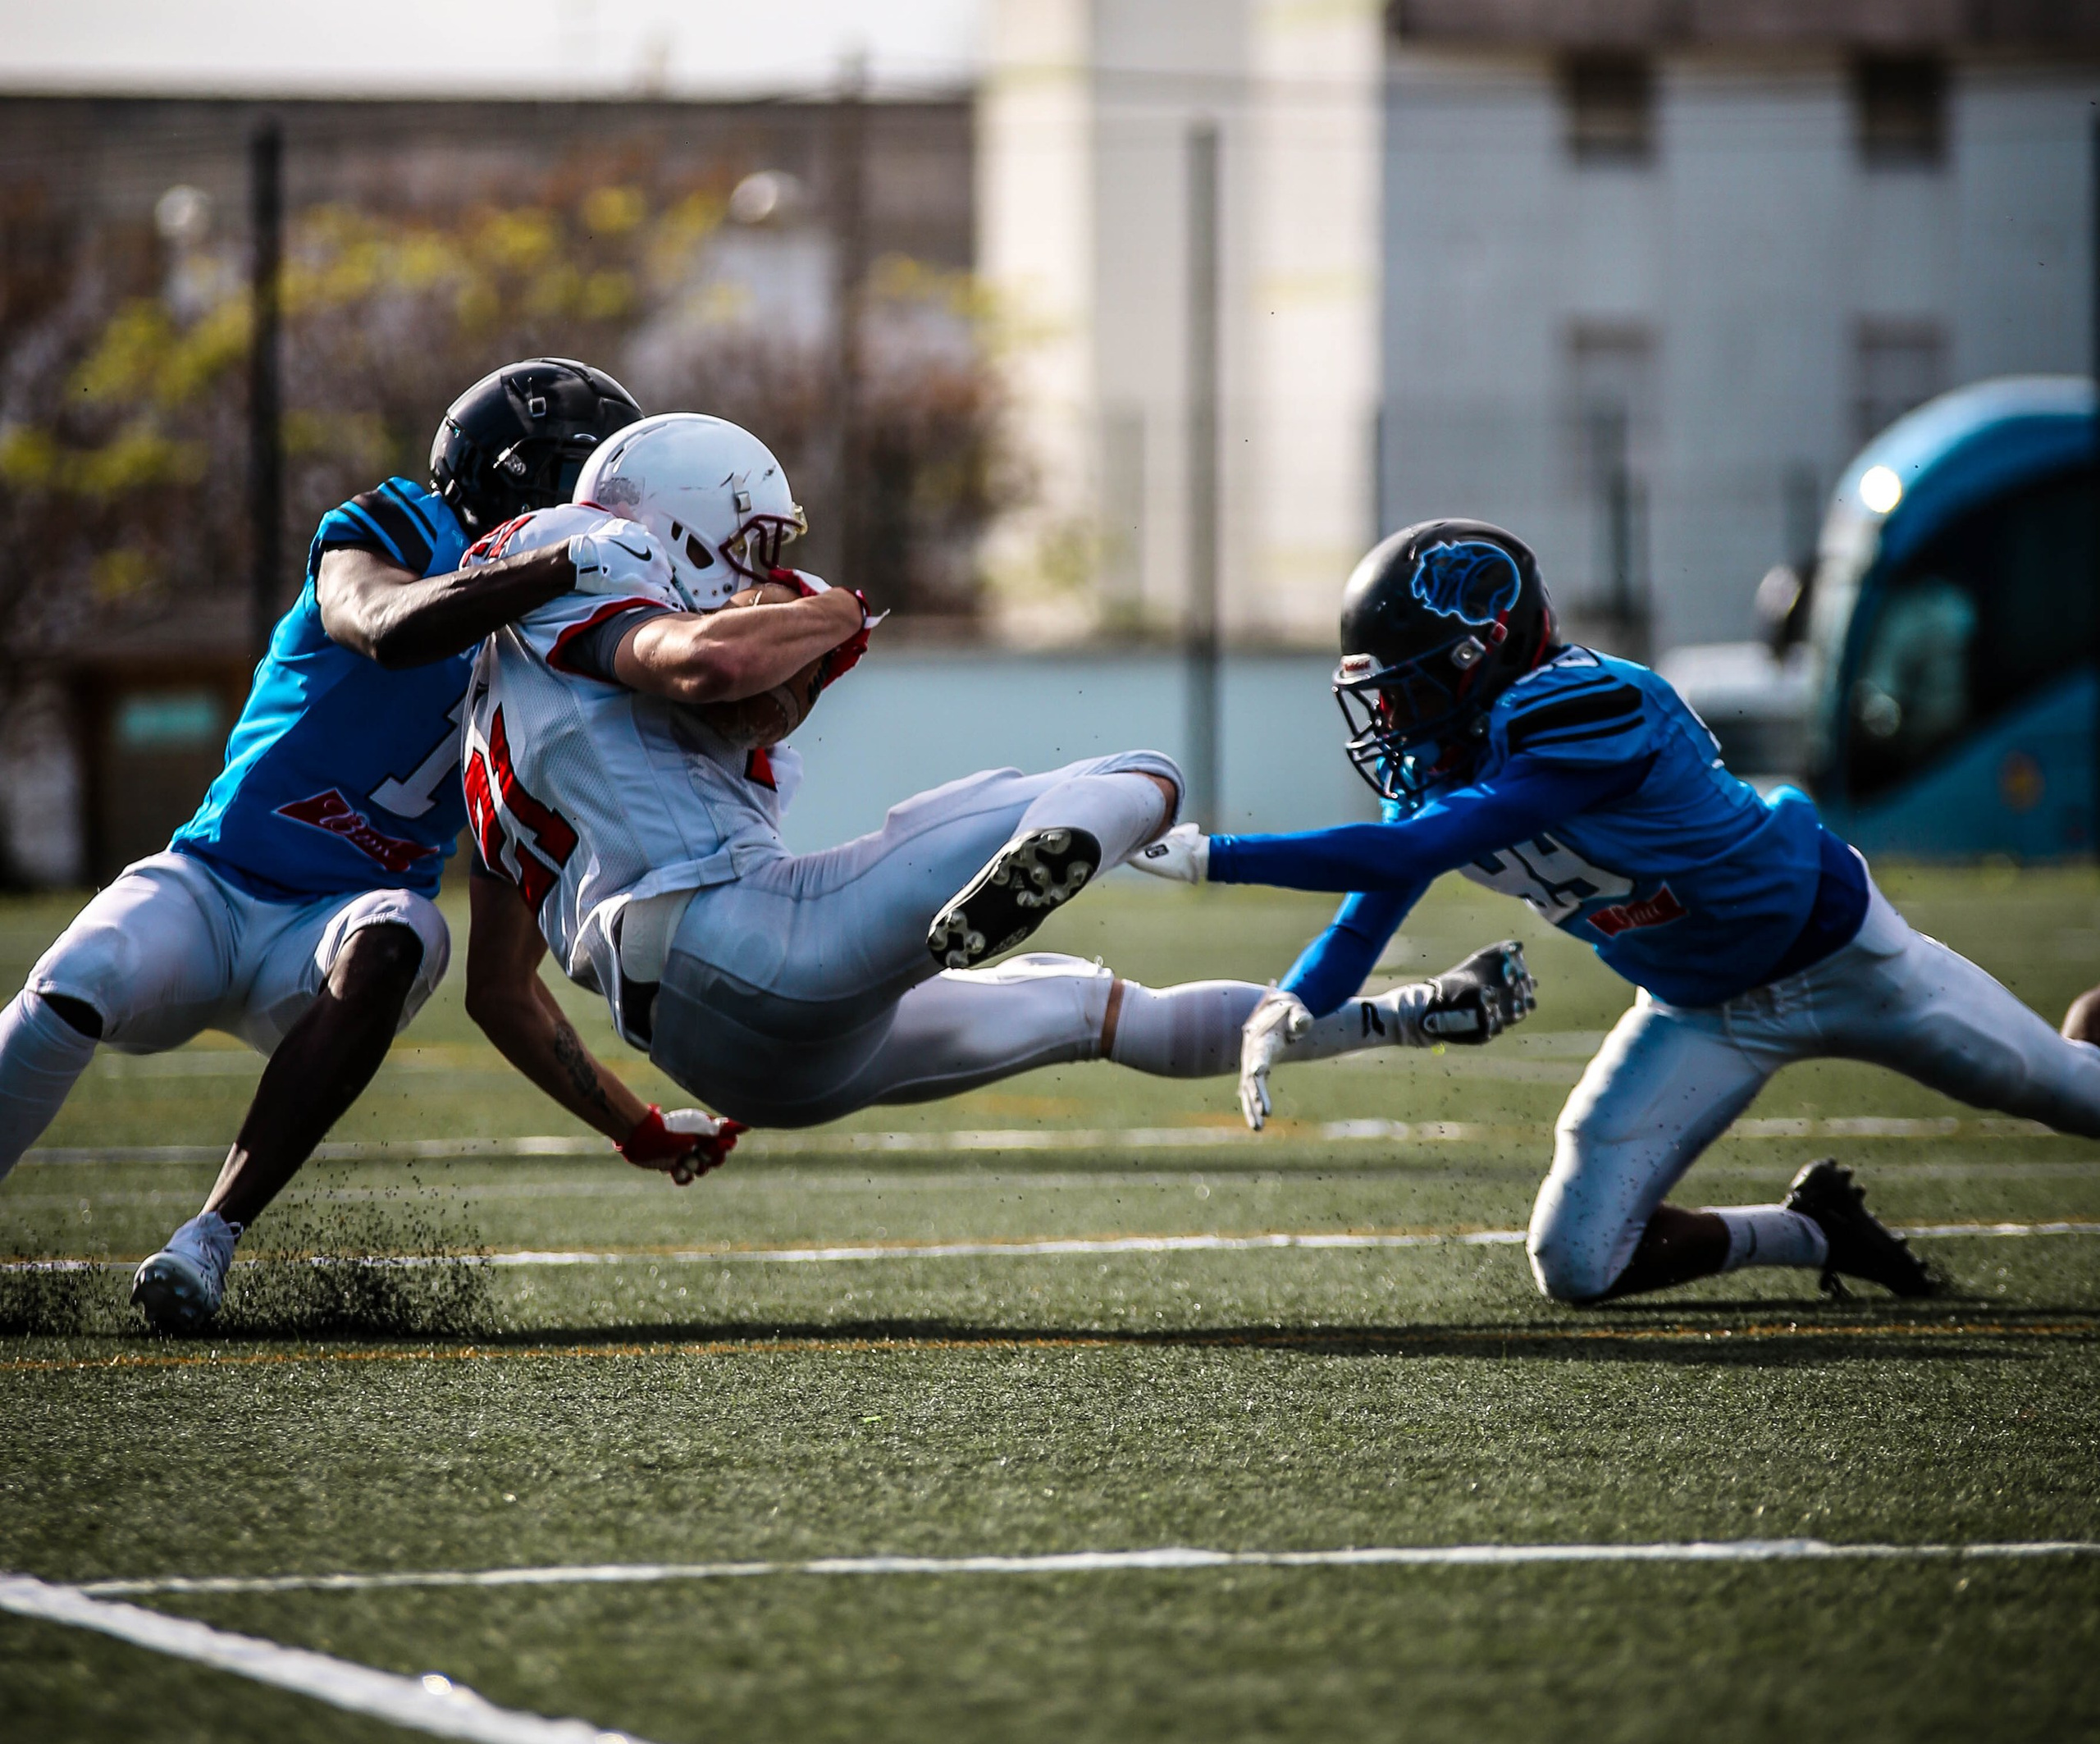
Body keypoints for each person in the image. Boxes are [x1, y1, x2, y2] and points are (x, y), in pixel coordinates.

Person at [459, 415, 1535, 1145]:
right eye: (754, 542)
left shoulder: (501, 703)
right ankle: (1041, 858)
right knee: (1144, 775)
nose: (765, 564)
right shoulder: (579, 547)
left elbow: (502, 984)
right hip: (742, 934)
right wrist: (835, 613)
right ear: (679, 515)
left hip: (727, 1056)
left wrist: (635, 1129)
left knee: (1096, 1006)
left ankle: (1397, 1017)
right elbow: (711, 663)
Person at [1131, 516, 2100, 1303]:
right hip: (1695, 1008)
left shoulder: (1588, 705)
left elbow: (1415, 849)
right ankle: (1814, 1233)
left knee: (2068, 1096)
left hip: (1840, 955)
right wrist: (1290, 1006)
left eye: (1408, 683)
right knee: (1577, 1263)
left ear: (1483, 652)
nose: (1388, 716)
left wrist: (1217, 856)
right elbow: (1364, 916)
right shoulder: (1439, 760)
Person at [0, 356, 643, 1331]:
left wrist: (635, 1128)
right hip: (213, 884)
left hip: (329, 932)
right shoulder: (392, 526)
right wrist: (558, 566)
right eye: (591, 488)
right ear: (529, 479)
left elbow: (501, 987)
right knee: (75, 978)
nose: (605, 518)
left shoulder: (564, 654)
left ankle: (206, 1242)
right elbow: (382, 625)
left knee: (404, 934)